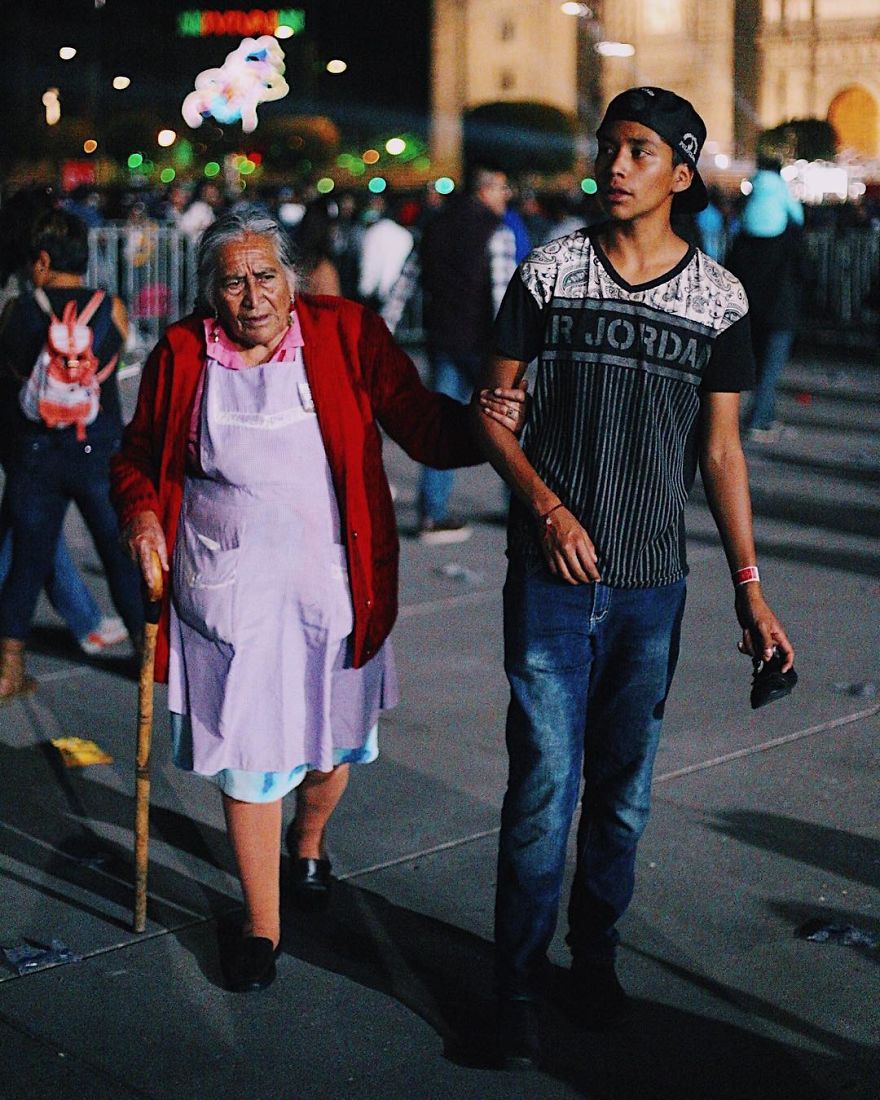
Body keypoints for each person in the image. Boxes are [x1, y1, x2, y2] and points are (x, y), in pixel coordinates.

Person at [110, 205, 525, 993]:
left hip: (334, 589)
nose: (252, 296)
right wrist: (140, 515)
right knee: (248, 763)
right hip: (227, 595)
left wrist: (486, 423)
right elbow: (136, 456)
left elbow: (422, 427)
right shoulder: (183, 353)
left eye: (265, 275)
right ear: (211, 293)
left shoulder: (346, 332)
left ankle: (308, 838)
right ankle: (260, 924)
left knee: (332, 750)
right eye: (232, 282)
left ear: (291, 279)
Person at [472, 87, 795, 1068]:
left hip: (654, 586)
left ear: (681, 172)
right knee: (543, 787)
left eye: (640, 151)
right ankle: (513, 988)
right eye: (609, 147)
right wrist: (547, 507)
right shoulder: (549, 272)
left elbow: (723, 453)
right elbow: (492, 412)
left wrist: (748, 585)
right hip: (550, 580)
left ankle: (594, 957)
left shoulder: (719, 299)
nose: (615, 166)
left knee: (621, 794)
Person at [0, 210, 142, 701]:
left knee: (27, 560)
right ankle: (146, 657)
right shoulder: (112, 308)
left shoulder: (17, 311)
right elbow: (113, 367)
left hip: (35, 454)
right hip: (100, 453)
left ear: (42, 260)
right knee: (119, 555)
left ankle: (8, 667)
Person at [416, 167, 517, 543]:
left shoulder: (435, 225)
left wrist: (386, 327)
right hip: (481, 345)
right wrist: (511, 348)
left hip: (442, 338)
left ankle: (432, 513)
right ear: (485, 190)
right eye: (503, 187)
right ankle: (519, 506)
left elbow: (409, 279)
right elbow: (502, 294)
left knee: (442, 427)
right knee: (508, 423)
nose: (506, 195)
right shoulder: (497, 230)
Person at [726, 155, 805, 442]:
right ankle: (758, 420)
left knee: (758, 365)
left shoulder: (743, 236)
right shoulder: (789, 235)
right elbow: (803, 271)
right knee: (771, 368)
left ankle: (764, 417)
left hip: (749, 310)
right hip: (780, 310)